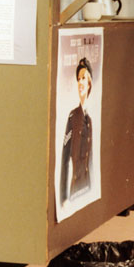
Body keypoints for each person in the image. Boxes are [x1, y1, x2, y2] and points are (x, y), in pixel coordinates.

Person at [59, 58, 94, 205]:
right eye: (78, 79)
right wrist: (63, 197)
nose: (80, 82)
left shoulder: (90, 120)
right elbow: (64, 160)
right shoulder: (73, 117)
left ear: (89, 83)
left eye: (84, 78)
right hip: (75, 191)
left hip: (88, 188)